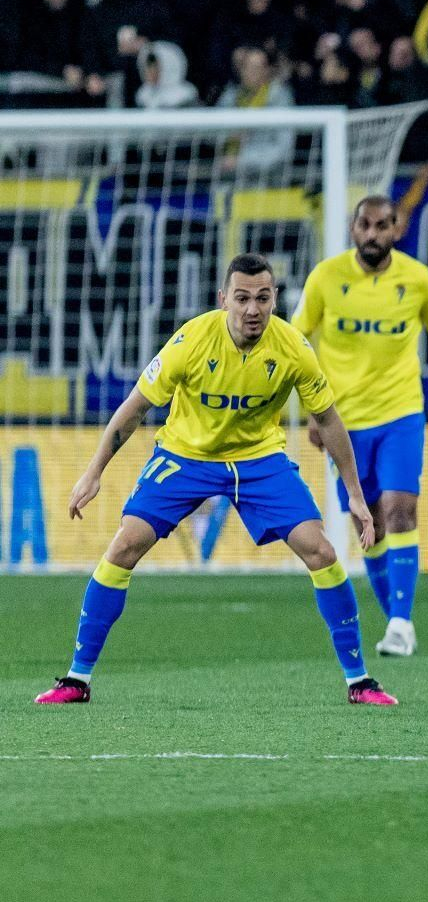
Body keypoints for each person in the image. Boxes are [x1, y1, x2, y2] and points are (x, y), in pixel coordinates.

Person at [35, 254, 396, 707]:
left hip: (259, 459)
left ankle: (360, 681)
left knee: (321, 550)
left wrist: (357, 497)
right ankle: (77, 679)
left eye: (263, 298)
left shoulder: (293, 349)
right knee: (125, 546)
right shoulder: (190, 341)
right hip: (186, 456)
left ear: (275, 300)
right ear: (223, 299)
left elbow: (328, 419)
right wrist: (93, 471)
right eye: (242, 298)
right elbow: (135, 407)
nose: (252, 310)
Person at [293, 197, 428, 658]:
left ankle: (399, 622)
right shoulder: (327, 279)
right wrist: (311, 412)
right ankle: (395, 614)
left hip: (400, 414)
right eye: (365, 225)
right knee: (366, 521)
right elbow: (296, 341)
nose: (373, 234)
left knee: (399, 511)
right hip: (343, 423)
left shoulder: (416, 280)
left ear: (397, 229)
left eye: (382, 226)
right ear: (353, 229)